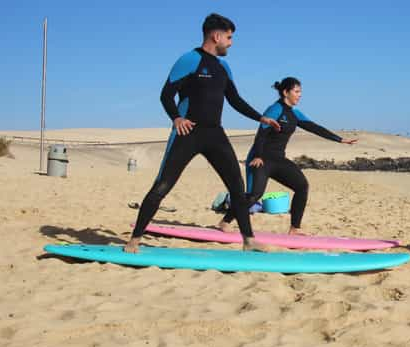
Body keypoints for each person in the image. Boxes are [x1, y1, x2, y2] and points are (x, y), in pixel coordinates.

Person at [125, 13, 281, 253]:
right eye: (229, 37)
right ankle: (134, 239)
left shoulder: (223, 66)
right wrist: (177, 118)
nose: (231, 43)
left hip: (215, 134)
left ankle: (248, 241)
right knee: (163, 185)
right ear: (216, 36)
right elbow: (166, 94)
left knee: (237, 187)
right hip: (189, 133)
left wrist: (260, 117)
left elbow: (235, 100)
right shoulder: (189, 60)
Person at [218, 77, 357, 235]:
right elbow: (261, 133)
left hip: (278, 160)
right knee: (254, 195)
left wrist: (340, 139)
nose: (300, 95)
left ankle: (294, 228)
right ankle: (225, 221)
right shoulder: (275, 109)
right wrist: (257, 155)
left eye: (300, 92)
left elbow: (314, 127)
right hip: (261, 158)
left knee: (302, 186)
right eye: (296, 91)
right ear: (286, 92)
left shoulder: (294, 114)